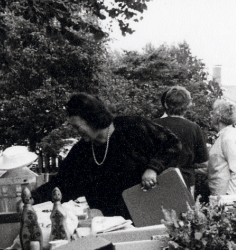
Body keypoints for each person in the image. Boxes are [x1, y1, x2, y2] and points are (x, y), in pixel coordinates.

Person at [32, 93, 181, 218]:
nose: (76, 131)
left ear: (92, 118)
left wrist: (153, 168)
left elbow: (172, 144)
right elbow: (62, 183)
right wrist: (33, 198)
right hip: (112, 226)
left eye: (78, 126)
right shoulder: (81, 152)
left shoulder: (133, 127)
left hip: (151, 215)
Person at [154, 86, 208, 195]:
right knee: (185, 212)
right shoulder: (193, 128)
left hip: (158, 179)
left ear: (166, 104)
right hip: (185, 179)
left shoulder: (154, 124)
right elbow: (204, 162)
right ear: (187, 105)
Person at [206, 98, 236, 197]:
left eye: (213, 112)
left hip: (224, 196)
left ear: (218, 116)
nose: (211, 115)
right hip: (218, 193)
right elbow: (218, 165)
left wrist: (230, 197)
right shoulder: (224, 135)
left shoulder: (228, 138)